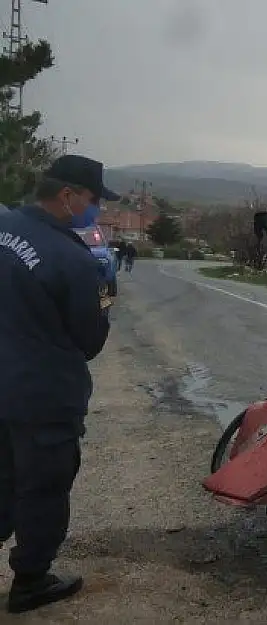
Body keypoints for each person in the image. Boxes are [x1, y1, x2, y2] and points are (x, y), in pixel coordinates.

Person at [0, 155, 116, 614]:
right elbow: (89, 341)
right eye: (92, 200)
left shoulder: (4, 227)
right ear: (67, 196)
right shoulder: (73, 259)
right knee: (44, 488)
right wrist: (103, 296)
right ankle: (31, 581)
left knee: (2, 473)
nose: (96, 210)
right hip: (42, 395)